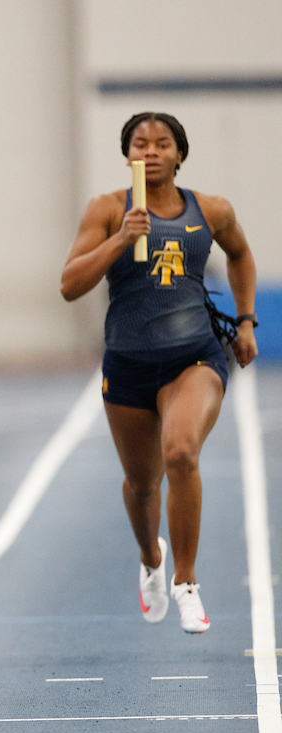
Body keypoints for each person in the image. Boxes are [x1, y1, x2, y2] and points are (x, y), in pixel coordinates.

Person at [61, 112, 257, 634]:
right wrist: (120, 240)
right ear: (127, 156)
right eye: (140, 144)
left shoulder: (210, 210)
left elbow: (241, 255)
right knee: (142, 484)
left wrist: (245, 321)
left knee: (180, 453)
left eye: (161, 143)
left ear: (179, 154)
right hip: (127, 363)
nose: (150, 152)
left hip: (193, 356)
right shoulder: (107, 210)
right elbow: (69, 284)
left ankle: (186, 583)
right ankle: (152, 557)